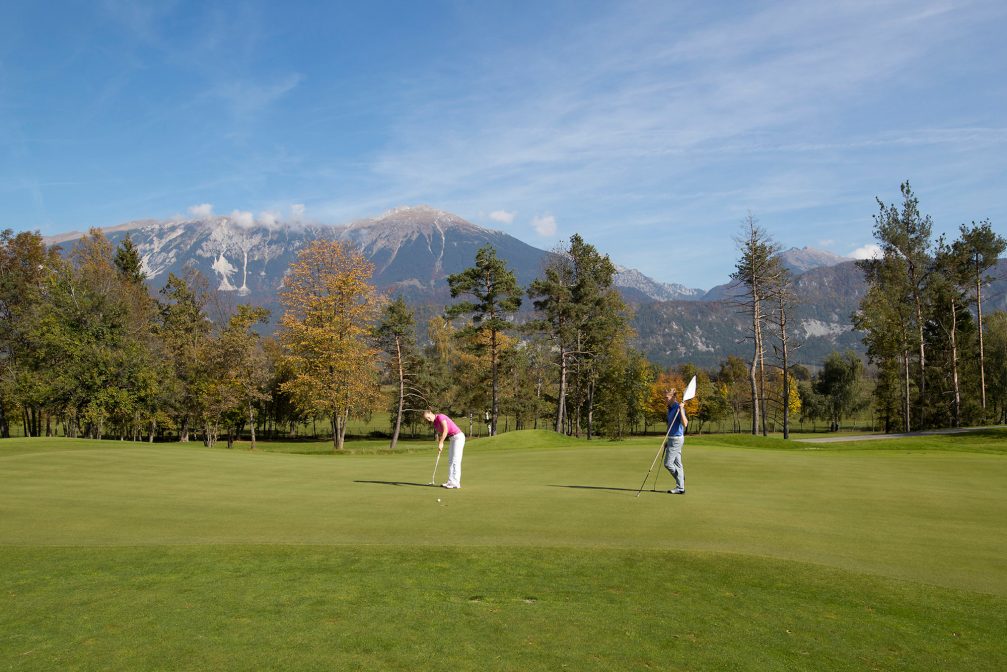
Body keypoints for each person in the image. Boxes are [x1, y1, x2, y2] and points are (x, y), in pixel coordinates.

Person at [423, 410, 465, 489]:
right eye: (427, 419)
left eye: (428, 417)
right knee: (450, 460)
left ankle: (456, 483)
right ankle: (450, 481)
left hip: (458, 437)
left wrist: (441, 442)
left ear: (431, 413)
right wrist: (440, 444)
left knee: (455, 460)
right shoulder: (435, 423)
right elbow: (441, 433)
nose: (428, 420)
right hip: (452, 438)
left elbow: (445, 430)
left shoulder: (440, 417)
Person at [664, 388, 688, 494]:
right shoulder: (670, 408)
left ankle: (680, 479)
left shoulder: (678, 408)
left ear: (673, 397)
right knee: (678, 464)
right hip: (671, 438)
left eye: (666, 397)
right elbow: (670, 425)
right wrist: (667, 440)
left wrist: (681, 410)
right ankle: (680, 487)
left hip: (676, 439)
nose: (665, 399)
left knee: (668, 464)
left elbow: (685, 423)